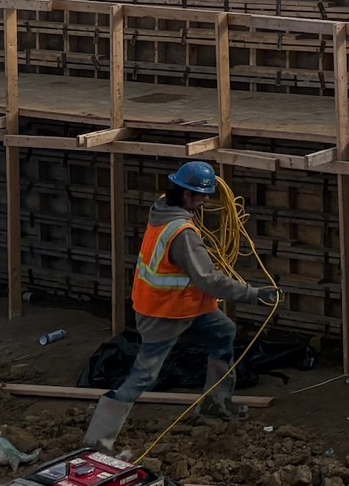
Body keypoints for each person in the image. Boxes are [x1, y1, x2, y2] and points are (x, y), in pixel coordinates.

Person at [81, 161, 278, 452]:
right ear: (186, 195)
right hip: (164, 312)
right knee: (144, 375)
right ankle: (98, 439)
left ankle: (216, 405)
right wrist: (253, 293)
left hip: (187, 306)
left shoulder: (162, 207)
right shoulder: (183, 234)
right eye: (201, 196)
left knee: (224, 332)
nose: (206, 201)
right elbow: (208, 280)